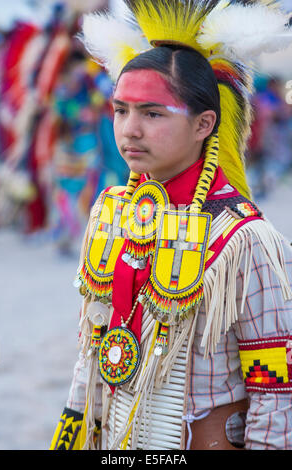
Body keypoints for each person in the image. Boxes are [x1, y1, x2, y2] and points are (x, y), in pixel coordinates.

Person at [50, 0, 292, 450]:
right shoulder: (110, 212)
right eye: (121, 110)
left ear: (205, 124)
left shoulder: (244, 239)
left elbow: (275, 395)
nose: (130, 130)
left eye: (152, 113)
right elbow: (92, 352)